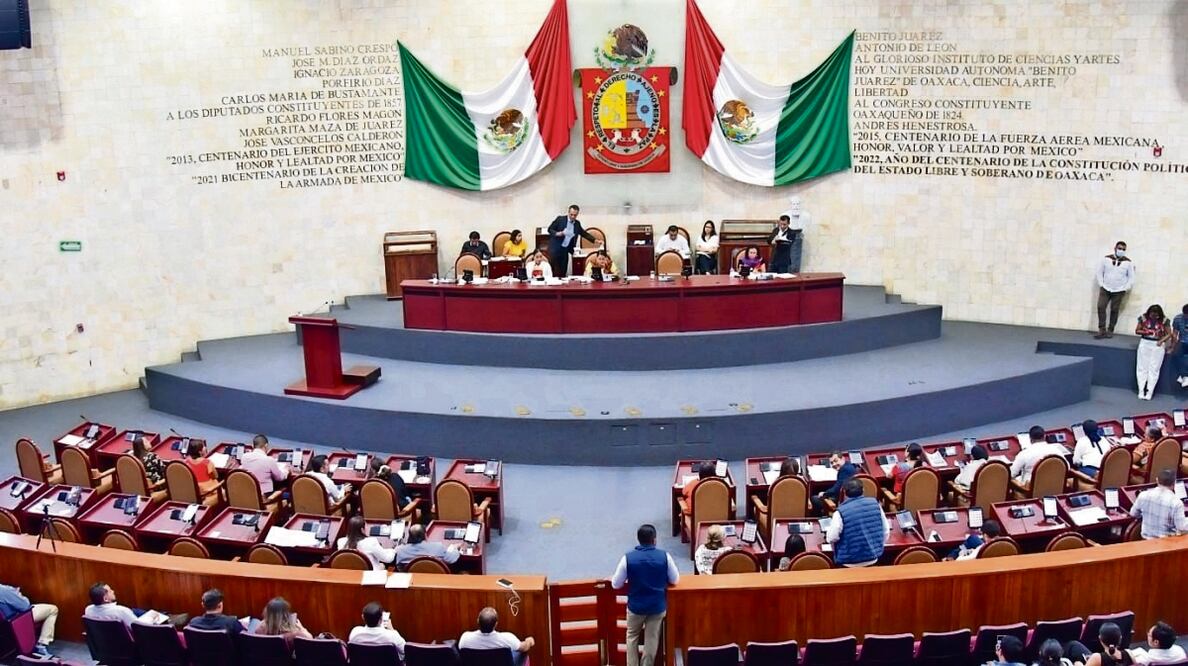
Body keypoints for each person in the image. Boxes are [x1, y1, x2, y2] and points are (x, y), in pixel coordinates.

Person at [610, 524, 680, 666]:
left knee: (632, 636)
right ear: (654, 540)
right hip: (657, 607)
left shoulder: (627, 558)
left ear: (638, 540)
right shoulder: (664, 556)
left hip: (636, 607)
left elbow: (616, 584)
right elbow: (675, 580)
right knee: (652, 639)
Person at [826, 479, 889, 567]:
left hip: (848, 563)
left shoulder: (840, 512)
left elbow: (832, 538)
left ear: (844, 493)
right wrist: (876, 548)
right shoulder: (875, 504)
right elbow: (886, 531)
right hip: (873, 559)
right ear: (863, 490)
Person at [84, 582, 186, 628]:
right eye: (110, 591)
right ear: (105, 599)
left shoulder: (88, 610)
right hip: (128, 641)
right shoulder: (120, 611)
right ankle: (166, 619)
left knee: (135, 611)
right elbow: (138, 628)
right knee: (150, 616)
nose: (113, 591)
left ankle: (167, 616)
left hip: (106, 643)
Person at [0, 582, 57, 657]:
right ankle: (42, 644)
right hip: (18, 619)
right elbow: (25, 606)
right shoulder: (3, 590)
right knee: (52, 609)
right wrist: (17, 594)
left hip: (3, 625)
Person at [458, 607, 534, 664]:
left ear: (478, 621)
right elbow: (524, 648)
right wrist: (529, 642)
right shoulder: (507, 638)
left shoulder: (465, 638)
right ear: (496, 624)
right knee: (522, 653)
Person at [1129, 469, 1188, 539]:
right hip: (1167, 544)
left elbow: (1133, 513)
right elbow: (1182, 528)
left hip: (1145, 541)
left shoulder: (1143, 495)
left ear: (1157, 480)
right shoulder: (1176, 503)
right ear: (1174, 483)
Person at [1095, 241, 1135, 339]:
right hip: (1105, 288)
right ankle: (1102, 329)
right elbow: (1099, 272)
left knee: (1114, 309)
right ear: (1115, 248)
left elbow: (1131, 277)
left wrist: (1126, 288)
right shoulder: (1106, 259)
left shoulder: (1128, 263)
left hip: (1119, 290)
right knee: (1101, 306)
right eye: (1119, 248)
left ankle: (1110, 329)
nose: (1121, 250)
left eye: (1123, 249)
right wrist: (1101, 283)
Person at [547, 204, 597, 278]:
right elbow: (550, 229)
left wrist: (595, 240)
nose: (573, 217)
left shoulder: (577, 224)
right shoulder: (560, 219)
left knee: (563, 273)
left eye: (575, 215)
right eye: (571, 215)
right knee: (554, 273)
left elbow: (584, 233)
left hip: (565, 250)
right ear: (568, 212)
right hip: (555, 250)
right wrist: (557, 233)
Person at [1135, 304, 1171, 400]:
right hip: (1145, 342)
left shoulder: (1165, 320)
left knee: (1154, 368)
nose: (1154, 316)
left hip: (1157, 345)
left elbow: (1169, 334)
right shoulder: (1143, 318)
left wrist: (1161, 340)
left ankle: (1150, 391)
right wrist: (1145, 332)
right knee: (1142, 367)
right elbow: (1137, 330)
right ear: (1149, 312)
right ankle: (1141, 390)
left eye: (1156, 315)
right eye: (1152, 314)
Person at [393, 523, 460, 568]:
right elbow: (451, 559)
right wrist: (454, 548)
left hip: (413, 582)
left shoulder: (400, 550)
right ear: (425, 535)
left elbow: (399, 567)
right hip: (437, 580)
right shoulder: (438, 547)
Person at [1066, 621, 1133, 666]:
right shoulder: (1129, 653)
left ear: (1100, 639)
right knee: (1074, 645)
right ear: (1120, 638)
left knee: (1073, 647)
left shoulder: (1097, 657)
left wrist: (1078, 664)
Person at [783, 195, 811, 272]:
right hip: (787, 238)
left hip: (798, 237)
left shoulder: (806, 215)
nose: (796, 206)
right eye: (794, 204)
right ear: (790, 205)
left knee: (796, 259)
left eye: (798, 204)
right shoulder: (785, 215)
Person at [1173, 304, 1188, 388]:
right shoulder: (1178, 319)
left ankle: (1185, 376)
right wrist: (1173, 345)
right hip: (1182, 341)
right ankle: (1183, 375)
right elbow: (1175, 333)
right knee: (1178, 356)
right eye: (1185, 315)